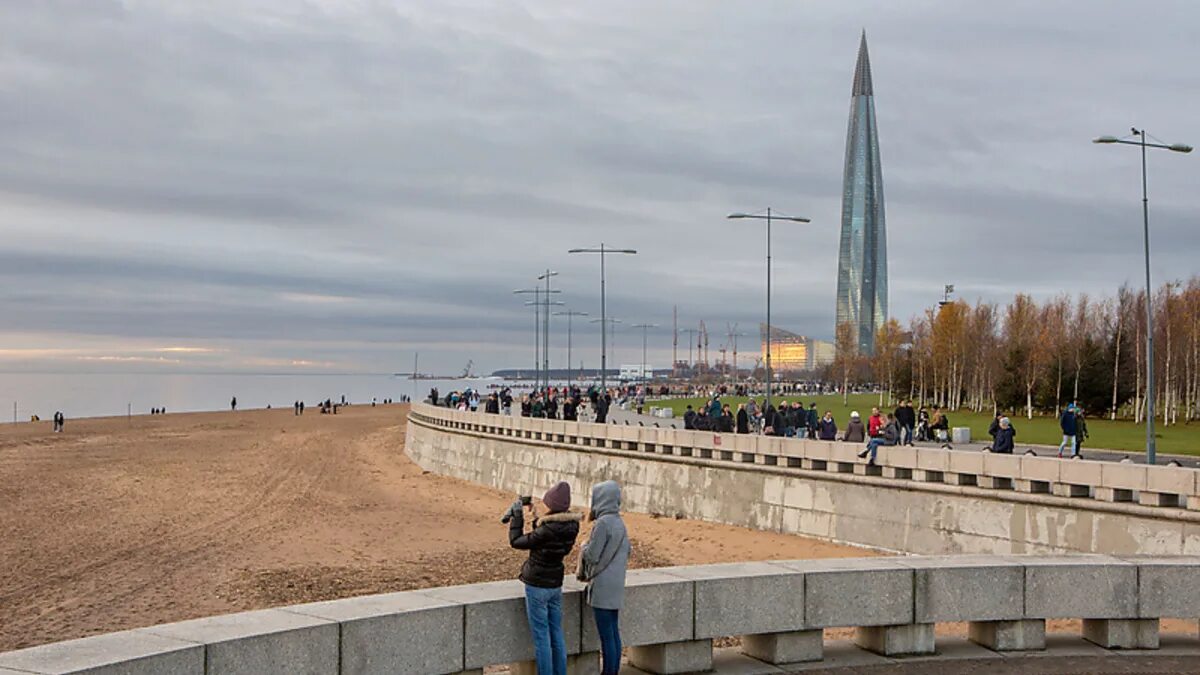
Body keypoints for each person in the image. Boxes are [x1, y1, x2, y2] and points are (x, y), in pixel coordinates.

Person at [507, 482, 582, 675]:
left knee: (542, 638)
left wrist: (517, 518)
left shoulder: (547, 530)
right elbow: (544, 535)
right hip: (555, 583)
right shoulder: (571, 525)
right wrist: (536, 518)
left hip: (537, 585)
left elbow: (517, 542)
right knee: (556, 634)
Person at [579, 481, 630, 675]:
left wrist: (584, 546)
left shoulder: (602, 524)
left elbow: (592, 555)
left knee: (606, 635)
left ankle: (608, 672)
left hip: (602, 586)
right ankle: (613, 670)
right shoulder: (620, 523)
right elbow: (627, 551)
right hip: (616, 585)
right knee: (614, 633)